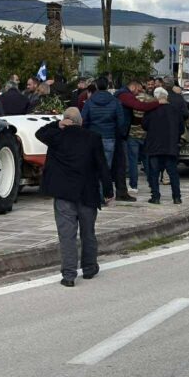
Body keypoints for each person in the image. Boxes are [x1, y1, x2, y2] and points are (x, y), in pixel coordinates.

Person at [36, 107, 113, 287]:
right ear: (81, 121)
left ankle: (69, 275)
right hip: (87, 192)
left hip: (63, 193)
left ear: (65, 120)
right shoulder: (93, 137)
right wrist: (109, 191)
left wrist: (57, 124)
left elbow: (40, 133)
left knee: (67, 235)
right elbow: (102, 166)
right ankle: (89, 268)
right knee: (88, 233)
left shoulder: (56, 136)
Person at [117, 80, 160, 197]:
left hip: (133, 133)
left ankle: (134, 185)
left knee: (133, 161)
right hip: (146, 134)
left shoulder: (132, 99)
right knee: (147, 160)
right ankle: (152, 184)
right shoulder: (151, 99)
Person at [143, 87, 184, 204]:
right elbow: (181, 128)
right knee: (173, 173)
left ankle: (155, 197)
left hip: (154, 146)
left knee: (154, 173)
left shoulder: (151, 110)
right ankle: (177, 197)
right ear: (166, 97)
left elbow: (144, 125)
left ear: (156, 97)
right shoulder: (175, 110)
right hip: (170, 146)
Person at [81, 78, 126, 176]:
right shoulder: (115, 101)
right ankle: (103, 189)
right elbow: (121, 121)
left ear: (96, 86)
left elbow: (83, 120)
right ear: (107, 87)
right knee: (106, 167)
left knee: (93, 167)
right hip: (109, 136)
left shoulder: (89, 102)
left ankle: (95, 190)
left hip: (93, 136)